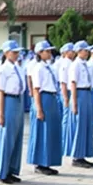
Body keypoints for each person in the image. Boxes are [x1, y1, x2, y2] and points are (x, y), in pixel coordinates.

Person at [28, 41, 62, 175]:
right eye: (46, 51)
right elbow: (36, 90)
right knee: (43, 131)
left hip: (52, 98)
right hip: (44, 98)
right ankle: (40, 163)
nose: (49, 53)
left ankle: (47, 161)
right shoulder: (38, 68)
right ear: (40, 53)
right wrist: (39, 109)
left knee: (51, 131)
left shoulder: (49, 67)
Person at [0, 40, 25, 183]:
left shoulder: (18, 67)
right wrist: (1, 113)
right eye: (14, 52)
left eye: (18, 52)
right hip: (8, 101)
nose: (17, 55)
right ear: (6, 53)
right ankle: (2, 172)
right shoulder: (3, 69)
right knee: (6, 137)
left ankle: (12, 169)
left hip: (18, 100)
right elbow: (0, 92)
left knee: (16, 137)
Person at [66, 41, 93, 168]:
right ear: (78, 51)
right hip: (80, 94)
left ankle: (83, 154)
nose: (87, 52)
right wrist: (74, 102)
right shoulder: (75, 65)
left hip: (87, 93)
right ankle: (77, 156)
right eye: (85, 50)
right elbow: (73, 83)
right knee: (79, 125)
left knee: (86, 125)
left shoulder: (85, 64)